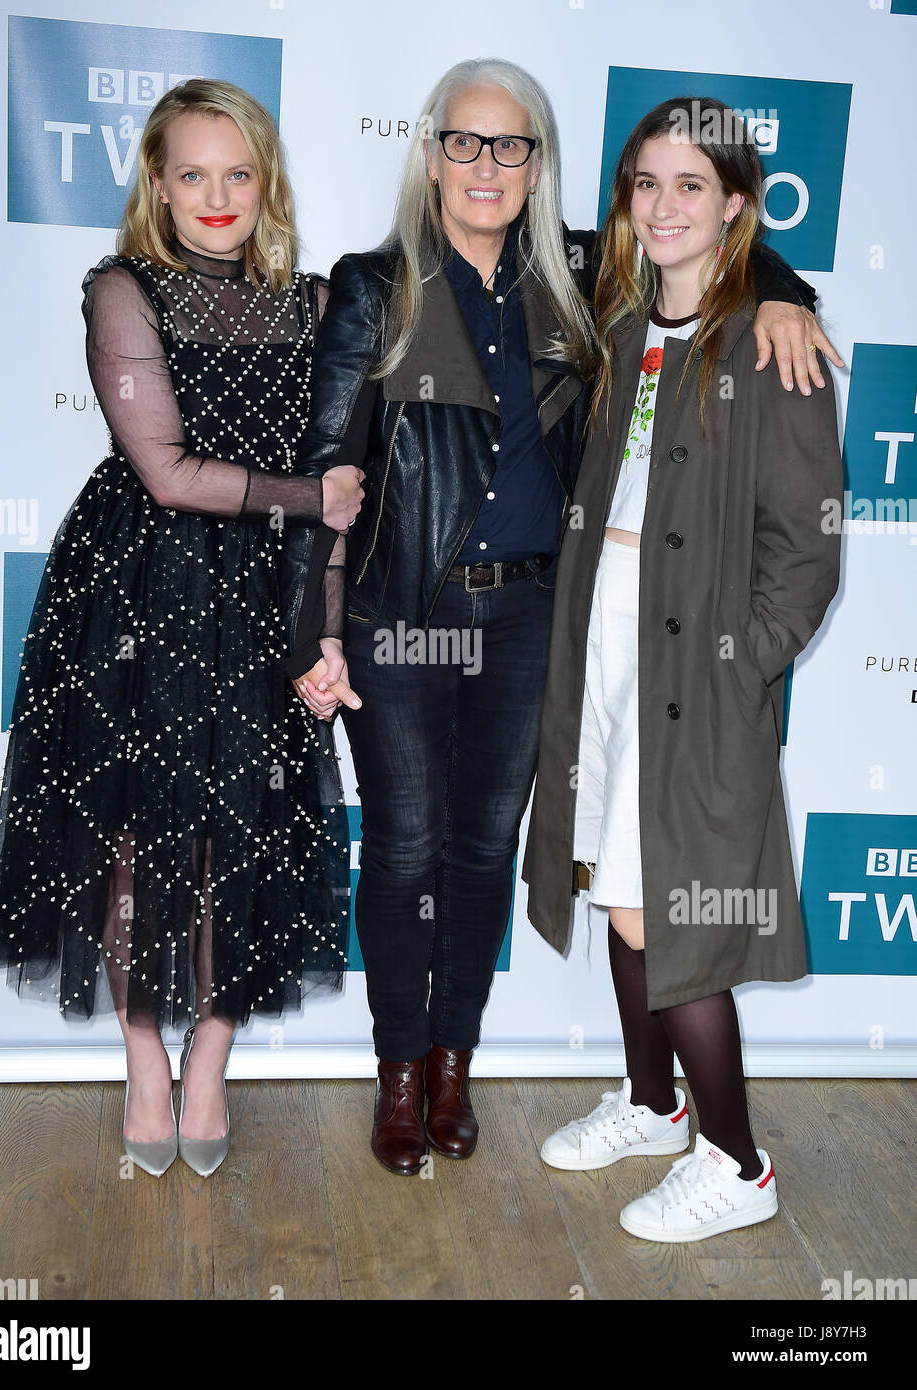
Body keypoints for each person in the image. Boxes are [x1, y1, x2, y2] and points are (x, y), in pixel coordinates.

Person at [283, 59, 831, 1177]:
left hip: (535, 619)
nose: (488, 166)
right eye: (465, 142)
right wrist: (315, 631)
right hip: (400, 618)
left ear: (541, 164)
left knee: (485, 852)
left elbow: (706, 235)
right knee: (404, 850)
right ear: (430, 149)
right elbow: (327, 469)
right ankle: (398, 1074)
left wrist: (783, 291)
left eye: (513, 145)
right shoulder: (371, 284)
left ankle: (454, 1065)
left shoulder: (583, 275)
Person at [0, 79, 364, 1179]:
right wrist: (310, 499)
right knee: (138, 837)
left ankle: (211, 1059)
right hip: (138, 592)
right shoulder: (122, 290)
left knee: (243, 830)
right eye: (192, 173)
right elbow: (168, 470)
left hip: (263, 603)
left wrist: (323, 633)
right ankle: (144, 1055)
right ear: (156, 182)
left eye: (238, 173)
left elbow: (340, 494)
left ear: (267, 182)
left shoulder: (320, 301)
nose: (217, 195)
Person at [523, 95, 843, 1240]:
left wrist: (741, 670)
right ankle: (654, 1102)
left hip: (697, 674)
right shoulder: (617, 323)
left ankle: (740, 1162)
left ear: (736, 207)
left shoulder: (769, 339)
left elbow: (806, 551)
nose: (661, 207)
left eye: (690, 186)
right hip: (603, 651)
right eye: (644, 184)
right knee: (624, 893)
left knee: (678, 910)